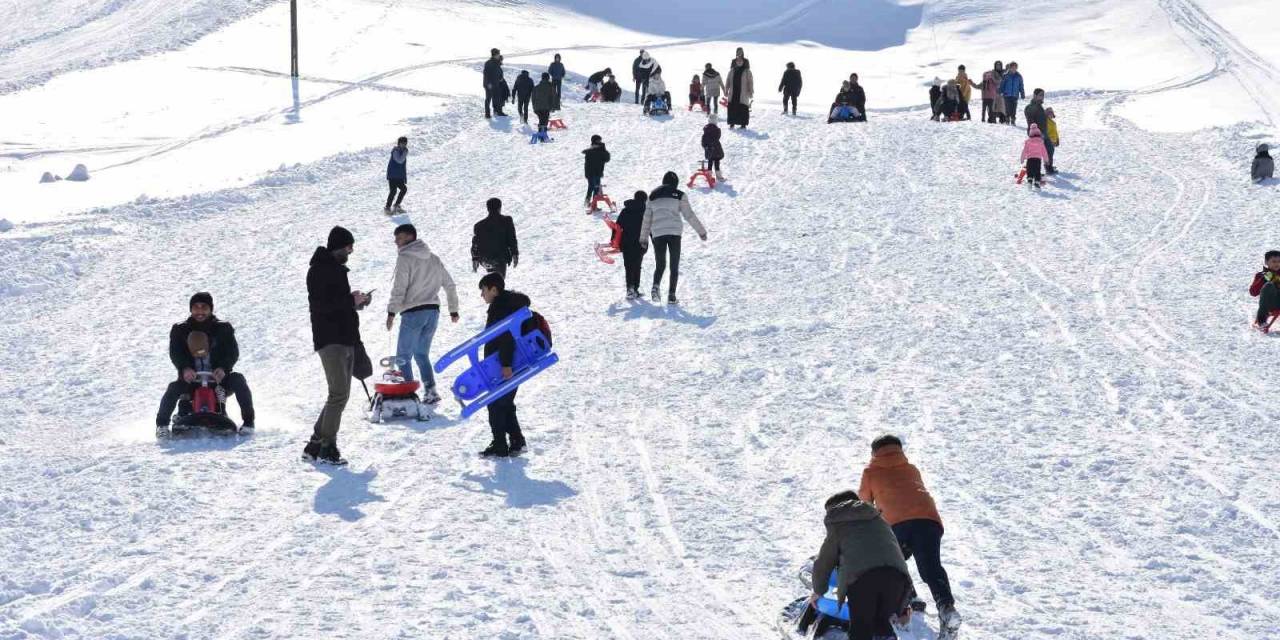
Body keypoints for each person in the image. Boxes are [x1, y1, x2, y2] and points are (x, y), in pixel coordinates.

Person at [858, 435, 961, 636]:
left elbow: (864, 504)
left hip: (896, 524)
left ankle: (910, 599)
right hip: (928, 520)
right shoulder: (911, 468)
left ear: (874, 453)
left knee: (891, 563)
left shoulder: (870, 472)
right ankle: (947, 608)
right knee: (931, 567)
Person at [303, 226, 369, 466]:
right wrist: (350, 300)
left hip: (344, 338)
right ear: (339, 246)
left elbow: (337, 304)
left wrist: (355, 302)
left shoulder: (335, 270)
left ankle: (314, 444)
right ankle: (327, 447)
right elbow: (322, 305)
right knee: (338, 394)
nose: (350, 251)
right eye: (349, 247)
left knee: (339, 395)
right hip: (331, 339)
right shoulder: (319, 270)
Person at [808, 490, 913, 640]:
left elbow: (824, 562)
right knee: (881, 625)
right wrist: (905, 602)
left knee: (861, 629)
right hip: (897, 579)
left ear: (836, 509)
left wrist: (818, 591)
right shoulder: (878, 519)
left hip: (863, 582)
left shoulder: (838, 524)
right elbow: (894, 555)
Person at [155, 292, 255, 436]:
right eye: (196, 307)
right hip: (191, 380)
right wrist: (185, 368)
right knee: (173, 388)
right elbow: (175, 352)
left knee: (238, 379)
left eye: (204, 307)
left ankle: (248, 423)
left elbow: (232, 352)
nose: (200, 311)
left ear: (210, 309)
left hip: (218, 380)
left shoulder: (223, 328)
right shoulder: (180, 329)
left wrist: (223, 368)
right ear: (191, 309)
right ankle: (162, 426)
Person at [385, 223, 460, 404]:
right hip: (432, 312)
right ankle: (431, 391)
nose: (396, 241)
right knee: (421, 354)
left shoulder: (405, 258)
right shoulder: (433, 258)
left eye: (400, 237)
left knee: (403, 356)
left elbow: (400, 287)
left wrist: (391, 312)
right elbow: (449, 284)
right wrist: (453, 309)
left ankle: (408, 394)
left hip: (413, 312)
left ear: (410, 237)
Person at [477, 272, 532, 457]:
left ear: (494, 289)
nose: (482, 295)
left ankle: (500, 444)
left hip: (504, 363)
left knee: (496, 403)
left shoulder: (501, 307)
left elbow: (506, 336)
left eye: (484, 290)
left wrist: (506, 364)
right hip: (507, 362)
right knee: (505, 402)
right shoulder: (507, 304)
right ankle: (517, 441)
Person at [641, 171, 708, 305]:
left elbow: (647, 218)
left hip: (658, 234)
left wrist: (643, 238)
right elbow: (689, 215)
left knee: (660, 264)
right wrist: (701, 231)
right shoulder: (679, 195)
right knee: (674, 265)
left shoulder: (652, 196)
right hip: (674, 234)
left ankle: (655, 286)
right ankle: (671, 295)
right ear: (675, 183)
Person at [471, 197, 519, 277]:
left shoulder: (478, 225)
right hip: (500, 259)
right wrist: (515, 254)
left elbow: (475, 244)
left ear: (488, 209)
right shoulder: (506, 221)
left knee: (493, 281)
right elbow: (512, 239)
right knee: (498, 282)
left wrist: (475, 259)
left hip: (485, 259)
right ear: (500, 207)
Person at [617, 191, 648, 300]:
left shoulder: (625, 210)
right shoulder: (646, 212)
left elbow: (617, 227)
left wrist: (615, 242)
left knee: (628, 266)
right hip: (640, 244)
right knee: (637, 266)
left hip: (626, 243)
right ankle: (635, 288)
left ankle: (630, 289)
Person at [1024, 88, 1053, 173]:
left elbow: (1040, 118)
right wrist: (1036, 133)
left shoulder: (1039, 106)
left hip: (1044, 133)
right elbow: (1031, 121)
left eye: (1043, 95)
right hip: (1036, 134)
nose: (1042, 97)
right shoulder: (1030, 107)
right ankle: (1033, 171)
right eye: (1040, 95)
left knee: (1050, 149)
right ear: (1035, 96)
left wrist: (1046, 113)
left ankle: (1048, 167)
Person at [1251, 251, 1280, 328]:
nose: (1277, 264)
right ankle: (1262, 319)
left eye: (1279, 261)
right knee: (1269, 285)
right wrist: (1263, 279)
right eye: (1274, 261)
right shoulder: (1261, 275)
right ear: (1266, 262)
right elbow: (1253, 292)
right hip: (1271, 304)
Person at [724, 57, 754, 129]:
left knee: (743, 108)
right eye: (738, 61)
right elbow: (727, 81)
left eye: (741, 61)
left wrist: (751, 91)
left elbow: (750, 82)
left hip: (743, 93)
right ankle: (732, 123)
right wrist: (726, 90)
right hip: (733, 93)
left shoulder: (747, 71)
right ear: (736, 62)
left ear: (743, 62)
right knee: (732, 108)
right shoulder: (732, 71)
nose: (739, 62)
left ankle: (743, 124)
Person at [582, 134, 611, 207]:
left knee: (596, 188)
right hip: (591, 173)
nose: (600, 142)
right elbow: (589, 154)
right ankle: (587, 203)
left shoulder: (600, 150)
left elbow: (607, 159)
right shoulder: (591, 151)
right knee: (592, 187)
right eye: (599, 140)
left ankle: (593, 205)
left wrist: (603, 150)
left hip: (598, 172)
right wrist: (601, 150)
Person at [1020, 123, 1050, 188]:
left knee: (1029, 170)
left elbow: (1024, 151)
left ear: (1030, 134)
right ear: (1039, 133)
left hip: (1030, 159)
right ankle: (1037, 182)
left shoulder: (1028, 142)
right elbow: (1044, 152)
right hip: (1037, 159)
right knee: (1037, 170)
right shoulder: (1041, 142)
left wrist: (1022, 159)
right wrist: (1046, 160)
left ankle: (1030, 181)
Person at [385, 136, 408, 213]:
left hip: (399, 176)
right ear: (399, 143)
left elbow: (403, 166)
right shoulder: (396, 151)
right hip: (392, 175)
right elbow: (400, 160)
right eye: (402, 143)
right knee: (393, 191)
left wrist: (404, 177)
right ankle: (387, 207)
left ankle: (396, 205)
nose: (404, 145)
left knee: (404, 189)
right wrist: (405, 153)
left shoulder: (403, 151)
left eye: (405, 143)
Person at [482, 48, 506, 119]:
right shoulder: (488, 63)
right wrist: (488, 83)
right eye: (498, 54)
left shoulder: (497, 62)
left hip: (496, 83)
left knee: (497, 98)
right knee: (488, 99)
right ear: (494, 55)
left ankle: (498, 111)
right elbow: (486, 74)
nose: (499, 55)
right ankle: (487, 114)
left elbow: (498, 71)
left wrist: (501, 78)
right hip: (489, 84)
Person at [999, 61, 1025, 127]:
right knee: (1008, 108)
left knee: (1014, 108)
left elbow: (1021, 85)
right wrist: (1000, 91)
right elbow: (1002, 85)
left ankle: (1013, 120)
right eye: (1012, 67)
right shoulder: (1006, 76)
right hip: (1007, 94)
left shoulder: (1019, 76)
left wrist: (1022, 93)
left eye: (1015, 67)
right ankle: (1007, 119)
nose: (1013, 69)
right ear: (1010, 68)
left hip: (1015, 95)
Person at [702, 114, 725, 181]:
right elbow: (717, 138)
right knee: (717, 161)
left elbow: (703, 140)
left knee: (710, 161)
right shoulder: (717, 130)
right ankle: (719, 176)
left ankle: (709, 175)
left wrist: (705, 146)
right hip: (716, 148)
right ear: (716, 121)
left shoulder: (706, 130)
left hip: (709, 149)